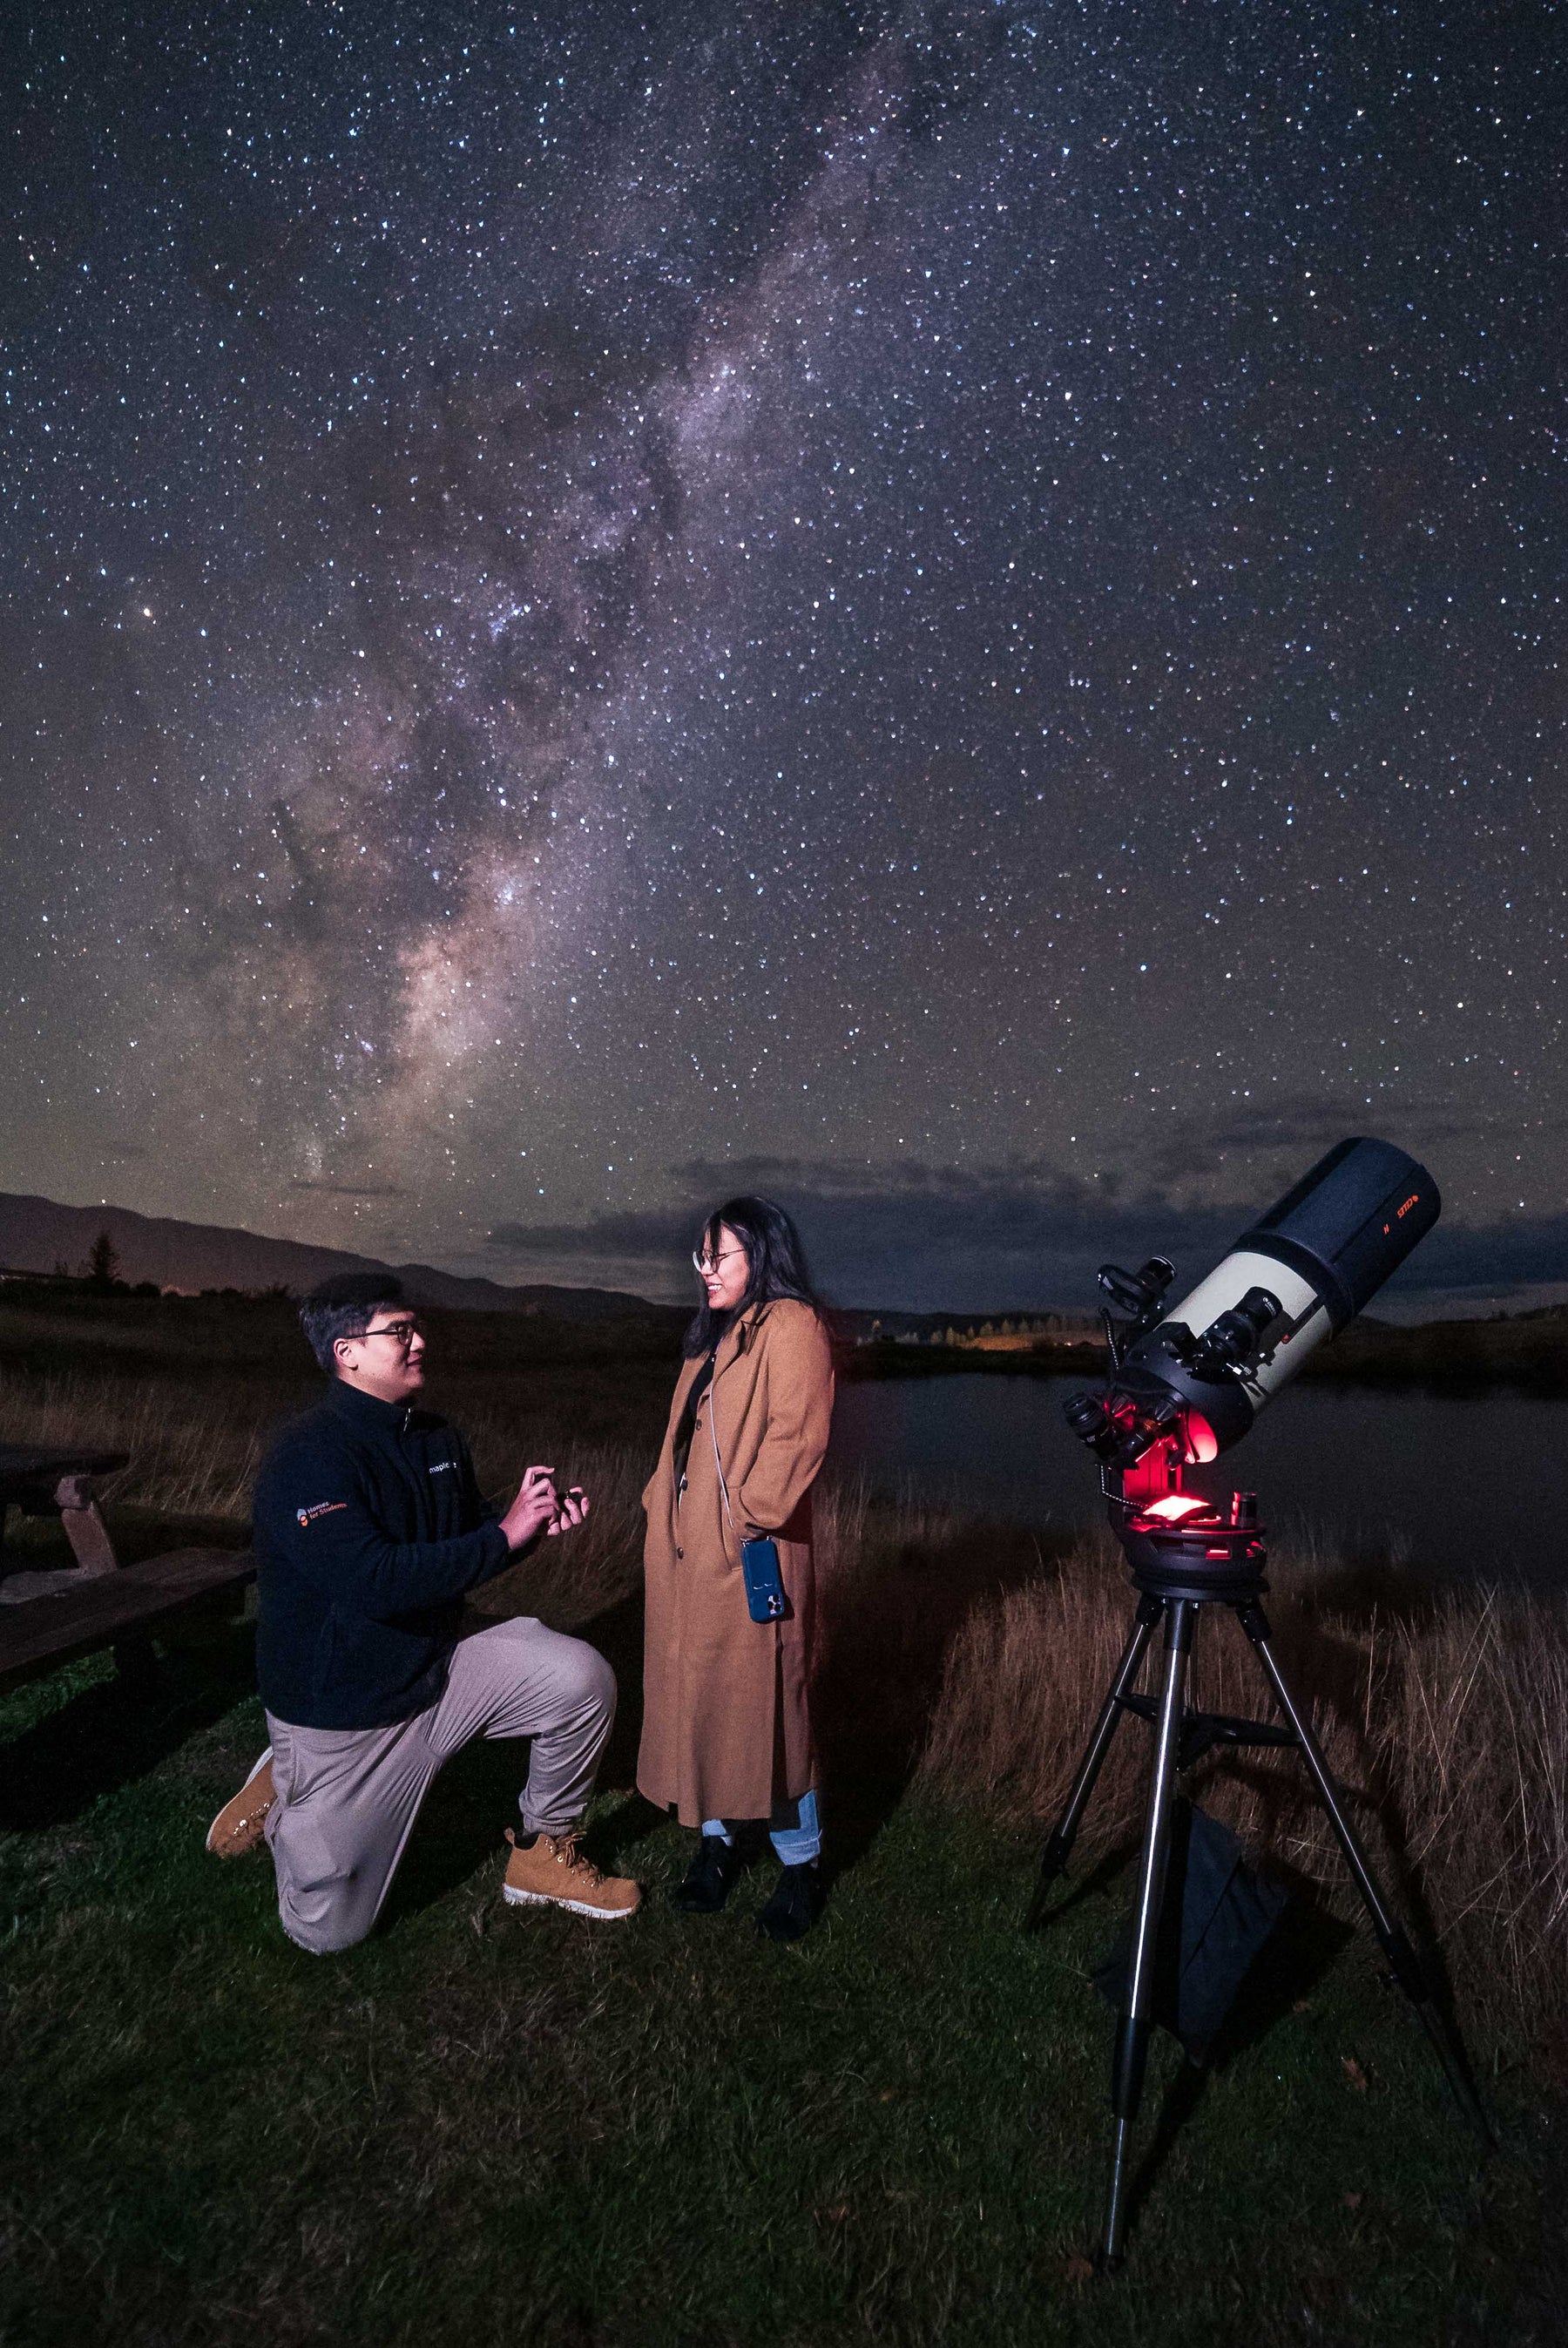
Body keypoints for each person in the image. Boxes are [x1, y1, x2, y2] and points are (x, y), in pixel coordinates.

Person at [205, 1272, 639, 1952]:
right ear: (347, 1352)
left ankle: (541, 1852)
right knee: (326, 1934)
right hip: (348, 1706)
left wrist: (525, 1529)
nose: (419, 1341)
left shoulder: (438, 1439)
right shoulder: (308, 1454)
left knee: (579, 1678)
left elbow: (465, 1543)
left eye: (416, 1326)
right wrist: (502, 1536)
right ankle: (288, 1777)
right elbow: (371, 1581)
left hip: (439, 1668)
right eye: (398, 1331)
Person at [639, 1197, 835, 1940]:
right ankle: (716, 1844)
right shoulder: (709, 1335)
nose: (705, 1269)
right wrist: (661, 1503)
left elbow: (797, 1440)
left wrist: (737, 1519)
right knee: (699, 1699)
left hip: (749, 1558)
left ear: (761, 1252)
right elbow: (683, 1439)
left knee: (772, 1711)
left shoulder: (792, 1324)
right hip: (686, 1561)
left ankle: (800, 1863)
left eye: (719, 1255)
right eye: (701, 1256)